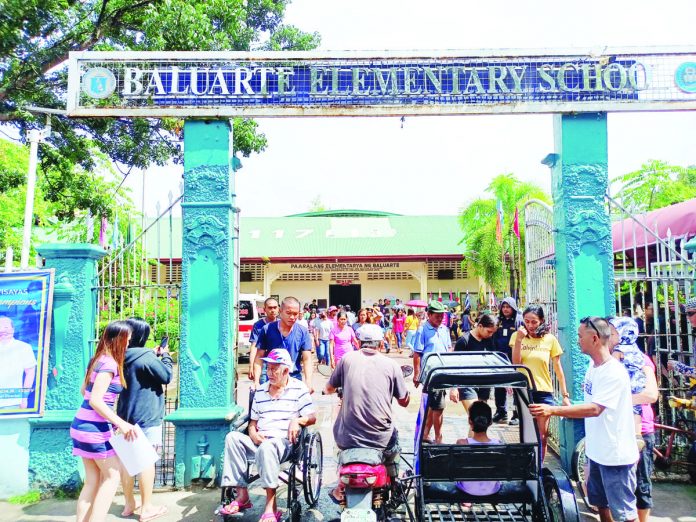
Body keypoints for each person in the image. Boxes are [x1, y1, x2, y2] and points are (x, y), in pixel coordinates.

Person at [530, 317, 639, 522]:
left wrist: (553, 411)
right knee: (600, 504)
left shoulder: (613, 372)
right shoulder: (593, 366)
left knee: (624, 514)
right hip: (597, 452)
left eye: (580, 336)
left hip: (615, 456)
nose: (577, 340)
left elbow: (595, 409)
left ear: (595, 338)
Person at [220, 349, 316, 520]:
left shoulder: (299, 389)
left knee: (267, 447)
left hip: (283, 443)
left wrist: (297, 421)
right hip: (260, 439)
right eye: (268, 368)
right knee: (232, 438)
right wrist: (252, 432)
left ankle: (271, 506)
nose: (269, 373)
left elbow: (312, 417)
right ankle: (242, 495)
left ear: (286, 371)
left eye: (274, 369)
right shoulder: (261, 391)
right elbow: (253, 422)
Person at [325, 324, 410, 503]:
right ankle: (394, 485)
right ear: (380, 343)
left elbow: (329, 388)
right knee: (394, 447)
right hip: (381, 440)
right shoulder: (391, 364)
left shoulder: (347, 359)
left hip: (346, 439)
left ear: (359, 342)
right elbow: (404, 401)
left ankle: (340, 484)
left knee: (337, 450)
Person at [71, 321, 138, 522]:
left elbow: (85, 392)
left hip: (80, 425)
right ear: (119, 339)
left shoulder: (97, 359)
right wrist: (121, 423)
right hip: (95, 429)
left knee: (92, 481)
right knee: (112, 477)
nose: (129, 343)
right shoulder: (109, 364)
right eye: (127, 339)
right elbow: (95, 400)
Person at [116, 318, 172, 522]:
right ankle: (147, 507)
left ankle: (129, 503)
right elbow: (165, 376)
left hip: (124, 415)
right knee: (147, 462)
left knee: (127, 461)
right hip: (147, 414)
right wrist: (165, 357)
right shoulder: (146, 356)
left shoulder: (120, 355)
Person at [511, 305, 571, 458]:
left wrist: (565, 395)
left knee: (542, 436)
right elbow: (516, 364)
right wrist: (519, 340)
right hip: (524, 390)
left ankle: (539, 469)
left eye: (534, 322)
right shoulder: (517, 336)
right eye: (527, 321)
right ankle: (527, 466)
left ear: (542, 321)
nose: (530, 326)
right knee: (526, 434)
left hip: (544, 391)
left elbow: (558, 368)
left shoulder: (550, 340)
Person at [254, 297, 314, 391]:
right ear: (280, 311)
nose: (292, 317)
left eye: (295, 314)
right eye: (289, 313)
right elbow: (259, 356)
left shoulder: (303, 332)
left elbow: (307, 359)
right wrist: (256, 382)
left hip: (294, 377)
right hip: (272, 378)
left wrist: (308, 382)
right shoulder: (267, 329)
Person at [413, 300, 452, 444]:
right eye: (437, 316)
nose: (440, 318)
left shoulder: (444, 329)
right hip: (431, 374)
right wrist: (416, 374)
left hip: (443, 373)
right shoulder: (422, 330)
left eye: (442, 316)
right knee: (438, 407)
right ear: (429, 315)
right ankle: (438, 438)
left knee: (432, 405)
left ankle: (425, 434)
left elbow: (448, 350)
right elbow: (417, 353)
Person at [608, 317, 648, 449]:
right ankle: (637, 435)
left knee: (627, 410)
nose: (610, 337)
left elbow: (612, 368)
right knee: (636, 411)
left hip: (627, 384)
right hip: (638, 382)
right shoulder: (635, 348)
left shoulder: (618, 350)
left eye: (613, 334)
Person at [449, 314, 498, 413]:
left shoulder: (489, 340)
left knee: (481, 420)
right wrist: (453, 387)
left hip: (484, 384)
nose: (490, 335)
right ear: (480, 326)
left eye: (493, 332)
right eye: (489, 331)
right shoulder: (464, 341)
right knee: (475, 415)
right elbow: (454, 364)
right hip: (467, 383)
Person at [455, 401, 502, 496]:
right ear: (490, 422)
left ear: (469, 421)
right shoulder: (499, 444)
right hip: (492, 489)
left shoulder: (461, 444)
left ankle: (467, 501)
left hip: (467, 489)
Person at [493, 297, 521, 423]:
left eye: (508, 307)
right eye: (503, 307)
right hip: (500, 357)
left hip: (513, 357)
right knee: (499, 385)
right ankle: (501, 411)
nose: (505, 309)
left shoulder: (518, 321)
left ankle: (517, 414)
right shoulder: (498, 321)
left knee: (515, 385)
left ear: (513, 308)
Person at [0, 315, 37, 409]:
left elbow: (30, 373)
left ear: (13, 329)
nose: (2, 330)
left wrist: (24, 398)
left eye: (6, 327)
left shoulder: (24, 347)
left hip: (13, 401)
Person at [248, 298, 279, 383]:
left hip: (279, 364)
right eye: (270, 308)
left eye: (275, 307)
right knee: (262, 391)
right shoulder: (258, 325)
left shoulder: (282, 324)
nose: (272, 310)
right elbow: (254, 347)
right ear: (264, 309)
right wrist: (251, 366)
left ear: (278, 309)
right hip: (262, 365)